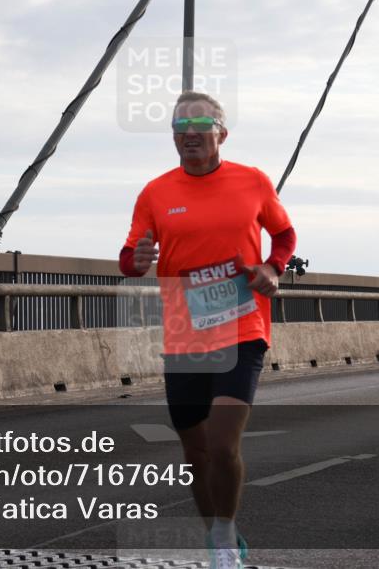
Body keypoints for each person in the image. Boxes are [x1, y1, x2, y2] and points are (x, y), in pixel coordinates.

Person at [119, 91, 295, 569]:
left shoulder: (252, 181)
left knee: (222, 442)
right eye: (180, 125)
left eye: (201, 122)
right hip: (184, 336)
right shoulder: (156, 192)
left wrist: (274, 269)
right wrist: (135, 261)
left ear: (222, 133)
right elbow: (131, 254)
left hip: (243, 328)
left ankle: (222, 536)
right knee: (196, 452)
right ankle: (217, 532)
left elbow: (284, 234)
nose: (190, 132)